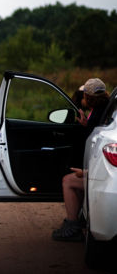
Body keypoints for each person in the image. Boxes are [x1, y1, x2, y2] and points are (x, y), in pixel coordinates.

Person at [52, 78, 110, 241]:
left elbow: (93, 137)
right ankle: (77, 221)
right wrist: (86, 125)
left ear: (88, 97)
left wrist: (85, 172)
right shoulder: (104, 110)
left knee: (67, 181)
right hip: (98, 169)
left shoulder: (98, 113)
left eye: (84, 94)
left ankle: (72, 226)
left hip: (100, 175)